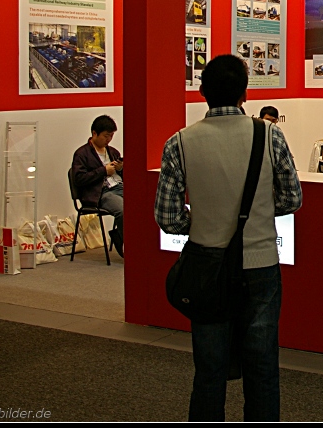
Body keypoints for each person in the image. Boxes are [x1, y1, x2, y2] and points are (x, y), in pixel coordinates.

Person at [154, 54, 302, 421]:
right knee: (263, 368)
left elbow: (168, 218)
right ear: (244, 93)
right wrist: (258, 216)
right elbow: (292, 198)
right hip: (261, 265)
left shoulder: (179, 143)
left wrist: (204, 223)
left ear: (202, 92)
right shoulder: (269, 135)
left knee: (209, 372)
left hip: (208, 267)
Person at [71, 115, 125, 257]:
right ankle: (125, 241)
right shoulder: (82, 154)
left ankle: (121, 236)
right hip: (100, 193)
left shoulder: (113, 152)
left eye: (111, 136)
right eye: (106, 136)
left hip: (119, 186)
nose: (109, 140)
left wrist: (120, 169)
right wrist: (103, 171)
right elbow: (79, 179)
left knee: (143, 204)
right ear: (95, 133)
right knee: (123, 210)